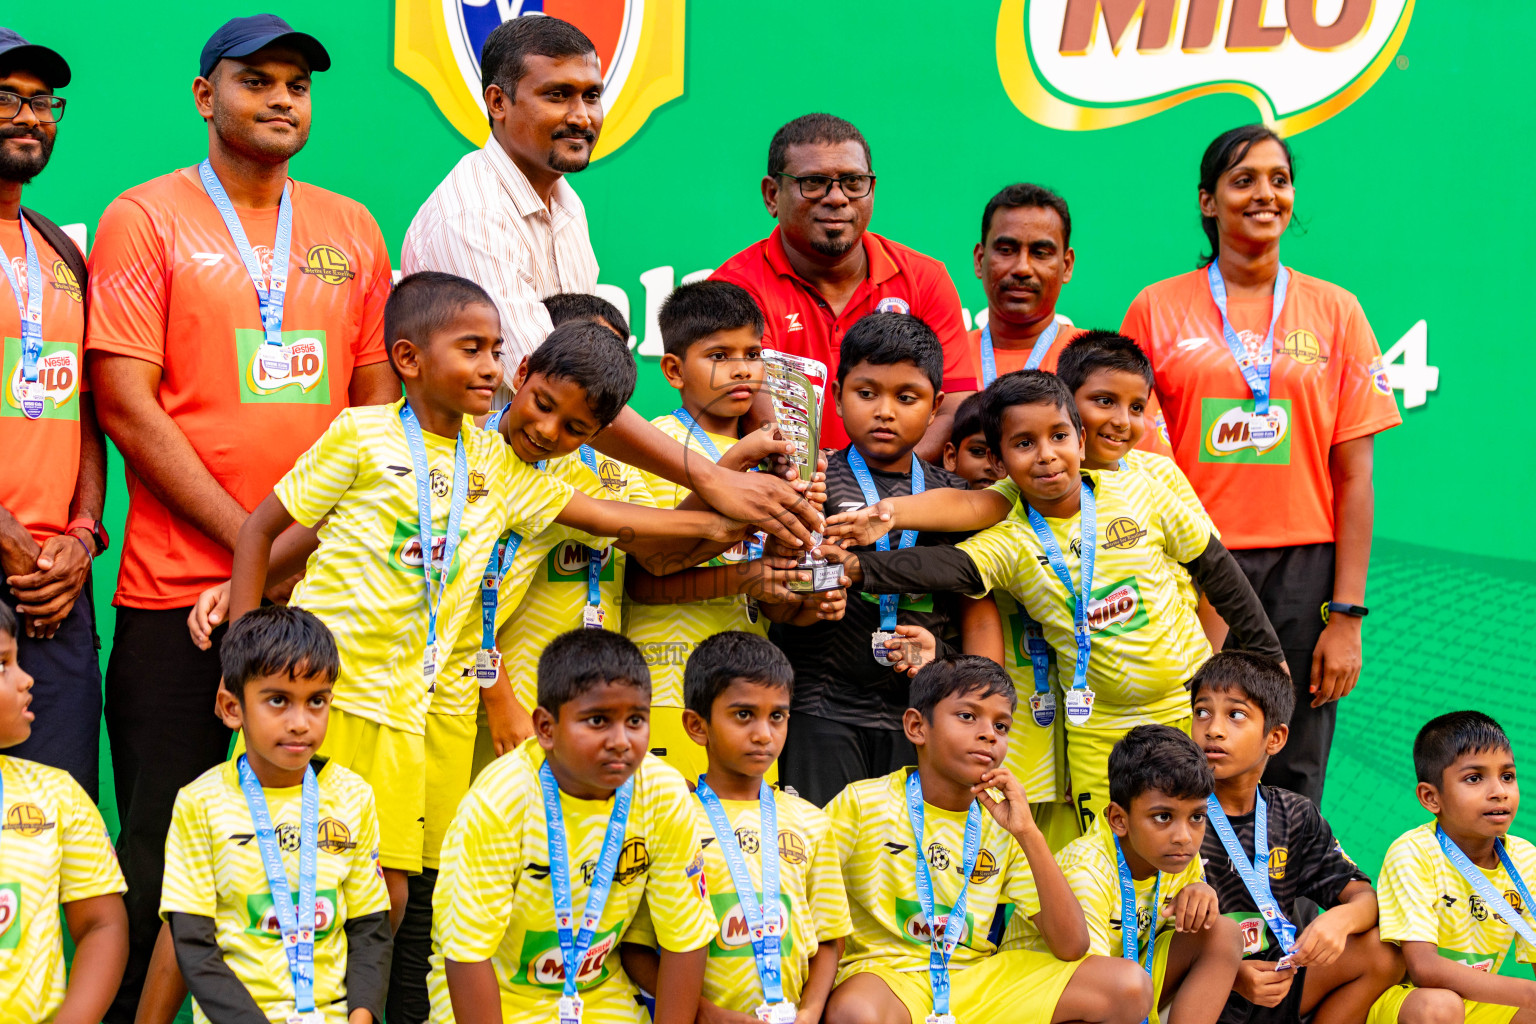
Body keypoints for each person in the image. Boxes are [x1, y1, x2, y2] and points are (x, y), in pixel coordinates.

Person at [222, 272, 747, 929]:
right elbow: (276, 531)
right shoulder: (366, 435)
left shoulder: (512, 475)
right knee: (268, 873)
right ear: (521, 376)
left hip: (423, 707)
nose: (550, 429)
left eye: (576, 426)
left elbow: (627, 525)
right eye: (476, 351)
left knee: (396, 890)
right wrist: (239, 655)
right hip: (330, 690)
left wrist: (734, 513)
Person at [84, 17, 400, 1016]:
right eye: (256, 80)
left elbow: (376, 413)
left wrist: (285, 556)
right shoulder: (144, 217)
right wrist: (247, 550)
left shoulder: (351, 226)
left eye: (298, 85)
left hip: (327, 589)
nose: (281, 99)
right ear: (202, 95)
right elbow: (128, 402)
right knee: (156, 839)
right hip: (178, 592)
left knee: (337, 839)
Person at [402, 16, 822, 552]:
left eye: (591, 96)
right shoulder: (471, 215)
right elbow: (565, 387)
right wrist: (711, 477)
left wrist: (735, 471)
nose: (581, 117)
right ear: (497, 102)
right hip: (456, 509)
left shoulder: (567, 204)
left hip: (536, 499)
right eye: (557, 95)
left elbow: (586, 374)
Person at [822, 370, 1282, 831]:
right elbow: (945, 566)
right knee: (1109, 860)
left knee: (1194, 858)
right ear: (1000, 464)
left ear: (1080, 440)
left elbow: (1220, 573)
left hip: (1184, 711)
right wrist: (855, 568)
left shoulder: (1142, 493)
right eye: (1024, 444)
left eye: (1058, 436)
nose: (1046, 456)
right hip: (1095, 731)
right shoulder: (1010, 541)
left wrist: (1269, 655)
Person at [1120, 124, 1403, 804]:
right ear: (1208, 201)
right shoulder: (1157, 308)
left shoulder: (1337, 311)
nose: (1264, 194)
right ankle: (1191, 905)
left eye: (1278, 179)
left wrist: (1348, 615)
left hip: (1306, 567)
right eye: (1243, 180)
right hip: (1193, 562)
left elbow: (1355, 475)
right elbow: (1131, 463)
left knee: (1295, 759)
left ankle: (1289, 903)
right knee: (1189, 755)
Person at [823, 655, 1151, 1024]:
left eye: (1002, 725)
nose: (989, 734)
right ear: (917, 727)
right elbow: (810, 900)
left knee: (1128, 985)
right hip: (891, 979)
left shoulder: (1003, 823)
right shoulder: (863, 802)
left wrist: (1027, 832)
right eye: (967, 716)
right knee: (855, 1012)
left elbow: (1072, 945)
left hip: (977, 981)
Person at [428, 629, 715, 1024]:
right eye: (598, 720)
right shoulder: (500, 801)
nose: (621, 741)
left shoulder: (664, 792)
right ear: (545, 728)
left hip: (597, 993)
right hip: (497, 994)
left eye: (635, 720)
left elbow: (685, 938)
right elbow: (466, 955)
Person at [624, 280, 835, 781]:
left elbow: (773, 599)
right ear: (673, 369)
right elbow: (644, 575)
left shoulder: (775, 459)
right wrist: (732, 468)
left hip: (750, 702)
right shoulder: (655, 447)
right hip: (665, 688)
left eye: (753, 353)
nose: (742, 368)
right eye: (719, 355)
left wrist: (808, 587)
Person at [156, 605, 392, 1024]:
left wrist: (360, 1018)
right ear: (233, 708)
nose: (300, 723)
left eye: (316, 701)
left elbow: (369, 929)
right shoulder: (200, 802)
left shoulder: (354, 796)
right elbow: (194, 946)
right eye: (278, 701)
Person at [774, 312, 972, 807]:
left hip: (920, 717)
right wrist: (806, 594)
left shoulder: (953, 496)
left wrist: (942, 653)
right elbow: (777, 584)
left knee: (899, 868)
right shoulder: (815, 479)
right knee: (818, 857)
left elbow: (969, 594)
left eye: (906, 398)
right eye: (867, 393)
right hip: (821, 709)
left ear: (935, 407)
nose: (885, 411)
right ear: (836, 395)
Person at [620, 631, 852, 1021]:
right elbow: (636, 948)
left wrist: (810, 1011)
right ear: (697, 726)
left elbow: (830, 937)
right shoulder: (672, 820)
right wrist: (703, 1012)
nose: (764, 734)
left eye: (777, 716)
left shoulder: (811, 821)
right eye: (744, 715)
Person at [711, 113, 971, 456]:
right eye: (814, 182)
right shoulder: (734, 287)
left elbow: (953, 411)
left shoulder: (925, 278)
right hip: (779, 495)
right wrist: (833, 483)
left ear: (872, 189)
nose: (836, 198)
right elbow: (763, 419)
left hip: (903, 503)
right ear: (772, 195)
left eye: (853, 182)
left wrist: (876, 484)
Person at [0, 29, 109, 800]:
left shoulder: (60, 251)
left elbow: (85, 412)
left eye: (41, 102)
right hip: (14, 556)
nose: (28, 117)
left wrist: (80, 537)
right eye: (6, 98)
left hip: (53, 584)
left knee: (57, 810)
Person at [1191, 652, 1402, 1024]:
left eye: (1235, 714)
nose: (1214, 729)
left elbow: (1363, 896)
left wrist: (1341, 920)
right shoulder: (1178, 813)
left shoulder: (1294, 815)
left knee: (1385, 952)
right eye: (1202, 712)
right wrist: (1232, 975)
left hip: (1281, 982)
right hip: (1199, 991)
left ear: (1275, 737)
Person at [1008, 724, 1240, 1024]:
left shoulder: (1178, 855)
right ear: (1118, 819)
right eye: (1163, 817)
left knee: (1222, 934)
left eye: (1196, 816)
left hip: (1123, 983)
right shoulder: (1086, 871)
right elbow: (1098, 983)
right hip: (1043, 997)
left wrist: (1200, 889)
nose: (1184, 836)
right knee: (1120, 986)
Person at [0, 603, 127, 1024]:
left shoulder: (58, 794)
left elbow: (102, 926)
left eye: (17, 659)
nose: (26, 679)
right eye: (3, 666)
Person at [1370, 711, 1536, 1024]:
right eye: (1474, 778)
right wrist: (1528, 994)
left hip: (1480, 1004)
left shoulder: (1527, 859)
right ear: (1431, 797)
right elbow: (1424, 968)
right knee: (1442, 1007)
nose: (1499, 791)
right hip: (1410, 1000)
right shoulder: (1414, 852)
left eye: (1507, 776)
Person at [939, 391, 1003, 489]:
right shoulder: (925, 502)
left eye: (1003, 457)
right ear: (951, 457)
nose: (990, 467)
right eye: (978, 451)